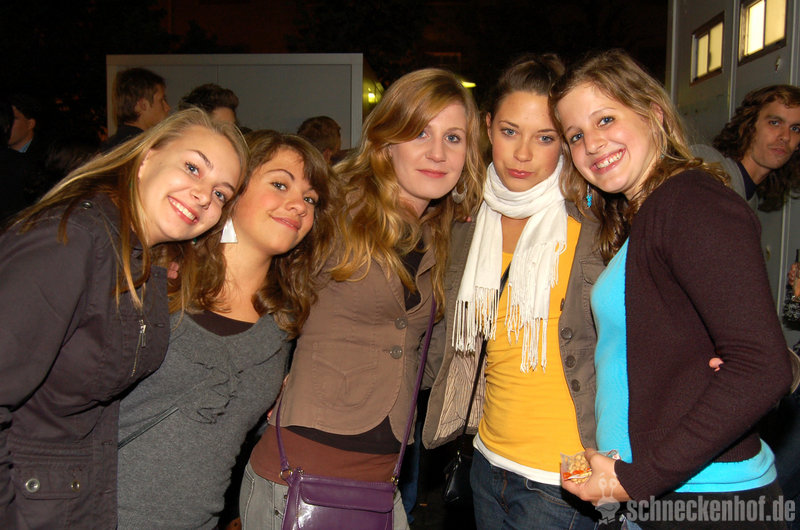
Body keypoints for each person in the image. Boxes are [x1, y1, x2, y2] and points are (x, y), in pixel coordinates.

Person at [551, 49, 792, 527]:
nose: (592, 143)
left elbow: (764, 367)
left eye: (605, 119)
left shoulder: (690, 201)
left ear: (654, 114)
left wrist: (638, 480)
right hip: (667, 493)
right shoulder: (651, 213)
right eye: (576, 135)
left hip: (708, 499)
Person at [239, 67, 485, 530]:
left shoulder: (443, 236)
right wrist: (265, 378)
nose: (438, 152)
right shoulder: (335, 208)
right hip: (300, 479)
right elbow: (256, 280)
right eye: (420, 133)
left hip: (382, 480)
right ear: (387, 142)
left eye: (453, 138)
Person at [0, 108, 247, 528]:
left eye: (221, 193)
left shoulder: (139, 258)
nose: (204, 196)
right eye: (193, 168)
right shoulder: (73, 240)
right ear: (147, 158)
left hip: (73, 502)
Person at [117, 130, 334, 529]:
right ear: (233, 191)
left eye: (310, 199)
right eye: (280, 184)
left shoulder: (286, 321)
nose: (298, 205)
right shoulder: (158, 279)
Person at [422, 54, 602, 529]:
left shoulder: (595, 222)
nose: (523, 154)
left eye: (545, 137)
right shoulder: (464, 218)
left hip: (568, 475)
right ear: (487, 127)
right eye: (509, 131)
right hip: (486, 460)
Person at [692, 85, 800, 211]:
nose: (786, 137)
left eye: (795, 129)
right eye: (774, 123)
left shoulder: (749, 201)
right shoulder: (706, 163)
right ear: (749, 126)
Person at [101, 67, 171, 152]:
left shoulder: (109, 148)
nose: (167, 107)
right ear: (142, 105)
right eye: (161, 100)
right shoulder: (147, 151)